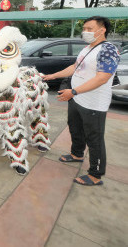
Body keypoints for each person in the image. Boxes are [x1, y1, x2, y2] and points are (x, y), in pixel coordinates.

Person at [44, 16, 120, 186]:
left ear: (102, 30)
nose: (85, 32)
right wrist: (53, 75)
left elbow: (102, 78)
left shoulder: (108, 50)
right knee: (75, 128)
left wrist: (74, 91)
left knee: (95, 138)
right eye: (84, 28)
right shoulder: (87, 49)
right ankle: (77, 154)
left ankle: (95, 174)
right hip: (77, 99)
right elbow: (75, 67)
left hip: (93, 103)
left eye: (90, 29)